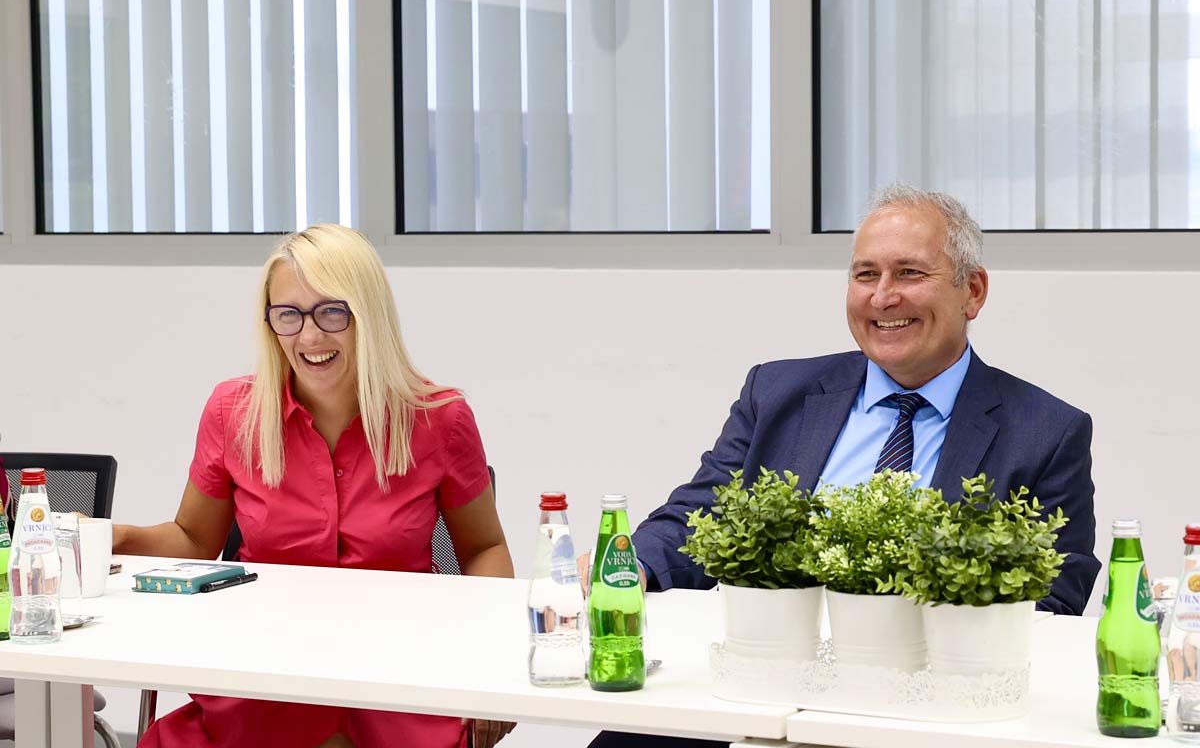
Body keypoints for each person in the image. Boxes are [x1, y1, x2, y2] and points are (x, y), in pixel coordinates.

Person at [586, 184, 1100, 748]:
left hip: (922, 712)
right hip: (759, 682)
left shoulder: (1045, 432)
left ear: (972, 292)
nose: (883, 297)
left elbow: (1054, 599)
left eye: (909, 273)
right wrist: (632, 563)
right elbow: (703, 511)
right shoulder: (777, 393)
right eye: (865, 275)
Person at [116, 224, 516, 748]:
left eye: (332, 312)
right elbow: (193, 539)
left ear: (368, 314)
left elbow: (483, 548)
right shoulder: (232, 412)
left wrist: (489, 671)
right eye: (289, 315)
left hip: (399, 674)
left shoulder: (440, 418)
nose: (309, 337)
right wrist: (115, 537)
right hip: (267, 674)